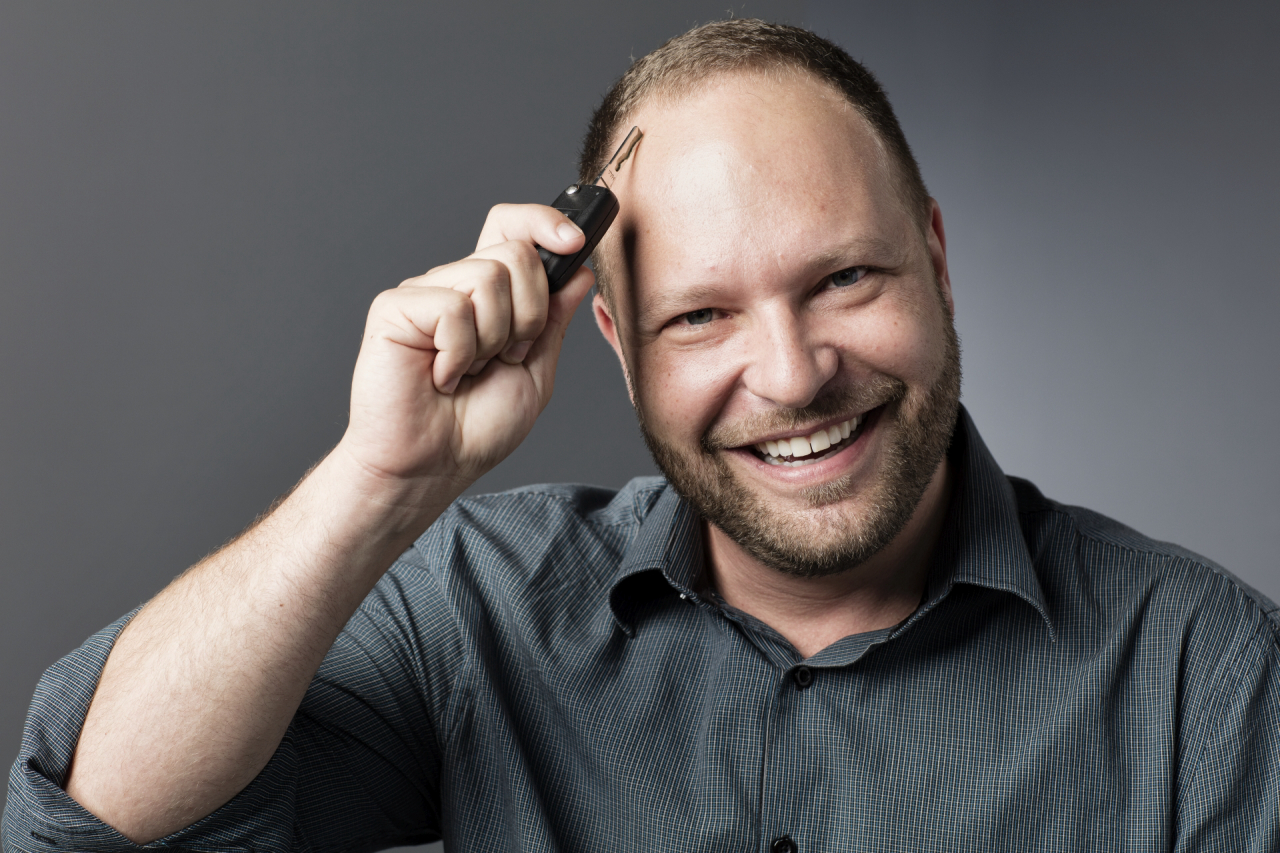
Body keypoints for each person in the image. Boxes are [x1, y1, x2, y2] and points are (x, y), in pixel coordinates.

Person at [6, 19, 1278, 853]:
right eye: (701, 315)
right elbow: (90, 821)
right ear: (614, 343)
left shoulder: (1202, 673)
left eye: (843, 279)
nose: (790, 374)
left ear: (934, 262)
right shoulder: (479, 607)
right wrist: (376, 483)